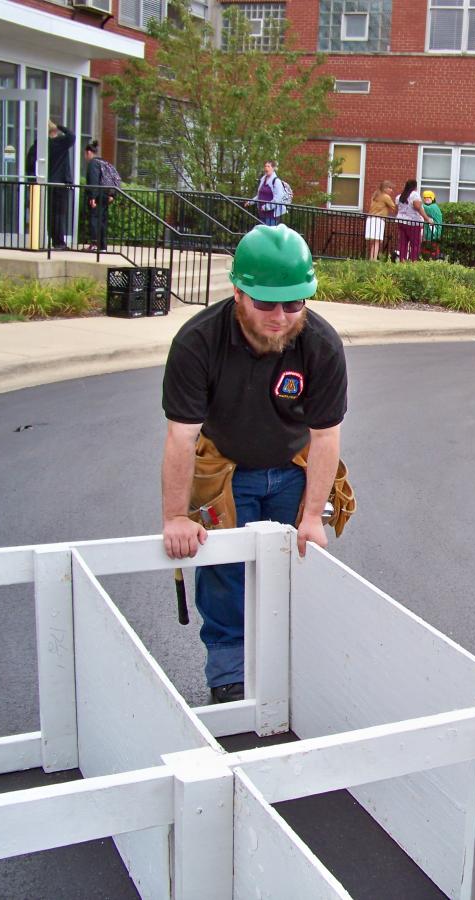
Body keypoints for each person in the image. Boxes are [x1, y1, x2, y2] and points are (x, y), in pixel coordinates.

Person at [161, 224, 347, 704]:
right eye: (266, 303)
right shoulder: (198, 342)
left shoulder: (321, 345)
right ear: (238, 292)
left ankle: (287, 672)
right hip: (227, 469)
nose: (281, 317)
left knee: (291, 572)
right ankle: (229, 679)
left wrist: (311, 516)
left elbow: (326, 436)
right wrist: (176, 517)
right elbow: (181, 437)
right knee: (225, 577)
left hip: (292, 467)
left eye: (293, 303)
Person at [27, 119, 76, 249]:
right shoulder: (59, 144)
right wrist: (59, 126)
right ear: (53, 131)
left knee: (48, 214)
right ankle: (58, 242)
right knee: (59, 214)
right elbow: (71, 136)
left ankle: (45, 240)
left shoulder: (37, 147)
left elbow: (30, 167)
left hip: (44, 185)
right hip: (59, 183)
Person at [82, 141, 117, 252]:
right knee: (102, 220)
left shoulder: (93, 163)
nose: (85, 157)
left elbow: (94, 181)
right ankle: (103, 246)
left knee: (95, 219)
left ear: (88, 152)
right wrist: (112, 194)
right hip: (107, 194)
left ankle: (94, 244)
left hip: (98, 195)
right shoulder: (104, 162)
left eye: (84, 154)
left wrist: (92, 197)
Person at [394, 179, 433, 262]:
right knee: (415, 244)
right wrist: (427, 219)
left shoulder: (400, 196)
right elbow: (418, 207)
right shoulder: (414, 195)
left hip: (401, 222)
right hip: (413, 223)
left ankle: (402, 261)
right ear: (415, 186)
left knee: (403, 243)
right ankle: (413, 261)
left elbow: (397, 209)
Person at [252, 161, 291, 227]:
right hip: (262, 213)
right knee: (263, 233)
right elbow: (259, 195)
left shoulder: (276, 181)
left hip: (271, 215)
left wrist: (266, 207)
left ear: (273, 168)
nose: (266, 168)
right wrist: (251, 202)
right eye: (265, 166)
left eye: (268, 166)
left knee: (269, 233)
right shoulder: (263, 180)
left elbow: (277, 198)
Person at [365, 180, 396, 261]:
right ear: (385, 188)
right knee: (377, 241)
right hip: (378, 220)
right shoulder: (386, 196)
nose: (391, 190)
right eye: (390, 188)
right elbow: (394, 207)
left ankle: (371, 259)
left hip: (370, 219)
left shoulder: (376, 194)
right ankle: (374, 259)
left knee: (372, 241)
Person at [421, 189, 444, 259]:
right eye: (425, 198)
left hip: (433, 231)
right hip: (431, 231)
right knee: (430, 247)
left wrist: (416, 203)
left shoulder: (433, 207)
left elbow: (424, 208)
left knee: (432, 248)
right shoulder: (432, 206)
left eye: (428, 198)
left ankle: (433, 259)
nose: (426, 199)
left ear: (432, 198)